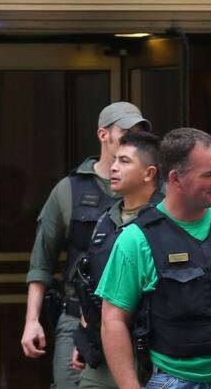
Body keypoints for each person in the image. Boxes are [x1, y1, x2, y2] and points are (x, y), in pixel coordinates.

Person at [95, 127, 211, 389]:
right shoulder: (137, 239)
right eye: (209, 174)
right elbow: (113, 319)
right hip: (171, 378)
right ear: (176, 179)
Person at [25, 102, 152, 389]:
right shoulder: (69, 190)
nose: (133, 139)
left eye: (139, 133)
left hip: (138, 323)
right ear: (103, 135)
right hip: (76, 317)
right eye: (125, 132)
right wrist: (32, 321)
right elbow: (41, 263)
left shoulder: (155, 194)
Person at [68, 131, 166, 388]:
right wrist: (84, 339)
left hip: (150, 356)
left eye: (124, 161)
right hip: (102, 354)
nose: (113, 167)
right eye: (114, 160)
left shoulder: (165, 222)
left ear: (149, 173)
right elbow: (90, 286)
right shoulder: (105, 220)